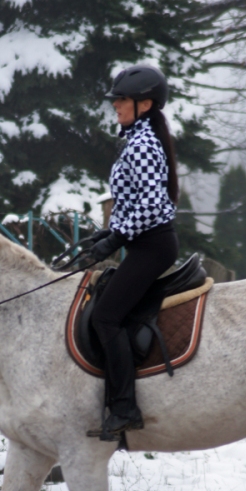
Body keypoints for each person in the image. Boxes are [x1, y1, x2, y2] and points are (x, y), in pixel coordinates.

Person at [86, 64, 179, 441]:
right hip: (145, 242)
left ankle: (125, 408)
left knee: (106, 317)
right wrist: (110, 232)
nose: (115, 105)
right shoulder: (137, 139)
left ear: (145, 104)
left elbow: (153, 204)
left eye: (121, 99)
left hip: (152, 246)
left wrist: (117, 237)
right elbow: (136, 201)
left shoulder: (141, 144)